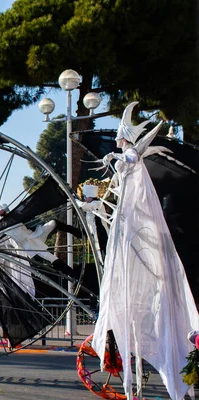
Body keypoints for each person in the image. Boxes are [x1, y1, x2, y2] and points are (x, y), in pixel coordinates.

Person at [91, 102, 199, 400]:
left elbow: (130, 158)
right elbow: (115, 193)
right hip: (128, 231)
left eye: (119, 138)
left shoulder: (131, 159)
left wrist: (117, 155)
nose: (115, 143)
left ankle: (160, 374)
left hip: (135, 233)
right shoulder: (127, 166)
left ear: (126, 138)